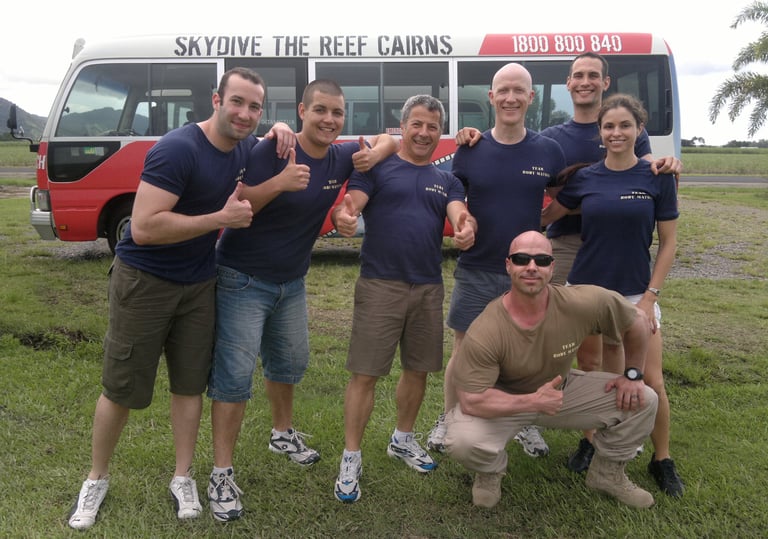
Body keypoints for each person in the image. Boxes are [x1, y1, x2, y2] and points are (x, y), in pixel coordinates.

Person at [67, 67, 294, 530]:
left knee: (189, 384)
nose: (246, 113)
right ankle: (96, 478)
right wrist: (221, 219)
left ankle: (182, 475)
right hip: (145, 281)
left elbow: (264, 138)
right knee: (122, 386)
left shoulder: (243, 148)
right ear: (216, 100)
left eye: (255, 106)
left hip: (198, 284)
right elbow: (145, 227)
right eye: (238, 102)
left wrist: (281, 128)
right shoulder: (178, 148)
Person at [206, 79, 398, 521]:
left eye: (337, 113)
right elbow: (236, 204)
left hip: (292, 282)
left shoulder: (341, 154)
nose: (329, 120)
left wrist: (377, 155)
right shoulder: (269, 152)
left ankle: (282, 433)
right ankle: (221, 472)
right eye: (321, 111)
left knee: (290, 362)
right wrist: (279, 183)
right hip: (242, 279)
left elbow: (391, 137)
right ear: (301, 111)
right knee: (234, 377)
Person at [538, 52, 683, 474]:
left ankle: (662, 458)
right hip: (588, 292)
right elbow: (546, 217)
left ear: (639, 130)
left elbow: (669, 243)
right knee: (596, 372)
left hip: (637, 291)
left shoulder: (656, 177)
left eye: (624, 125)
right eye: (608, 126)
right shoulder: (585, 178)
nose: (615, 132)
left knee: (650, 379)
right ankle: (593, 442)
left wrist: (649, 298)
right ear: (599, 133)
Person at [443, 230, 659, 510]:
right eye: (522, 259)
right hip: (504, 399)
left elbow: (638, 322)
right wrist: (532, 401)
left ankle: (607, 474)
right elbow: (472, 400)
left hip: (561, 391)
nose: (531, 267)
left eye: (541, 260)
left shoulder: (582, 302)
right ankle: (489, 473)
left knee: (644, 399)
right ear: (509, 265)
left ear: (552, 267)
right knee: (462, 440)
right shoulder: (486, 330)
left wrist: (633, 374)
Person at [330, 94, 475, 503]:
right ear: (403, 124)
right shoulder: (378, 166)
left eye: (432, 126)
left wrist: (465, 228)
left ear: (439, 131)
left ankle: (402, 439)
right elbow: (351, 204)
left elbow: (459, 212)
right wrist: (345, 216)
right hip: (380, 284)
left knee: (418, 370)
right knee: (366, 373)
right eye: (417, 124)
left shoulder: (446, 178)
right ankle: (351, 456)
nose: (424, 133)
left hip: (428, 287)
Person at [427, 62, 566, 459]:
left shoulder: (548, 150)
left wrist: (539, 224)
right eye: (502, 90)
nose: (510, 97)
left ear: (531, 98)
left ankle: (521, 424)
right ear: (491, 97)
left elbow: (563, 196)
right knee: (464, 350)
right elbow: (453, 200)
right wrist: (463, 225)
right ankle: (449, 417)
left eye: (518, 90)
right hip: (477, 267)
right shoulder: (469, 149)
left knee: (525, 355)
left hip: (527, 272)